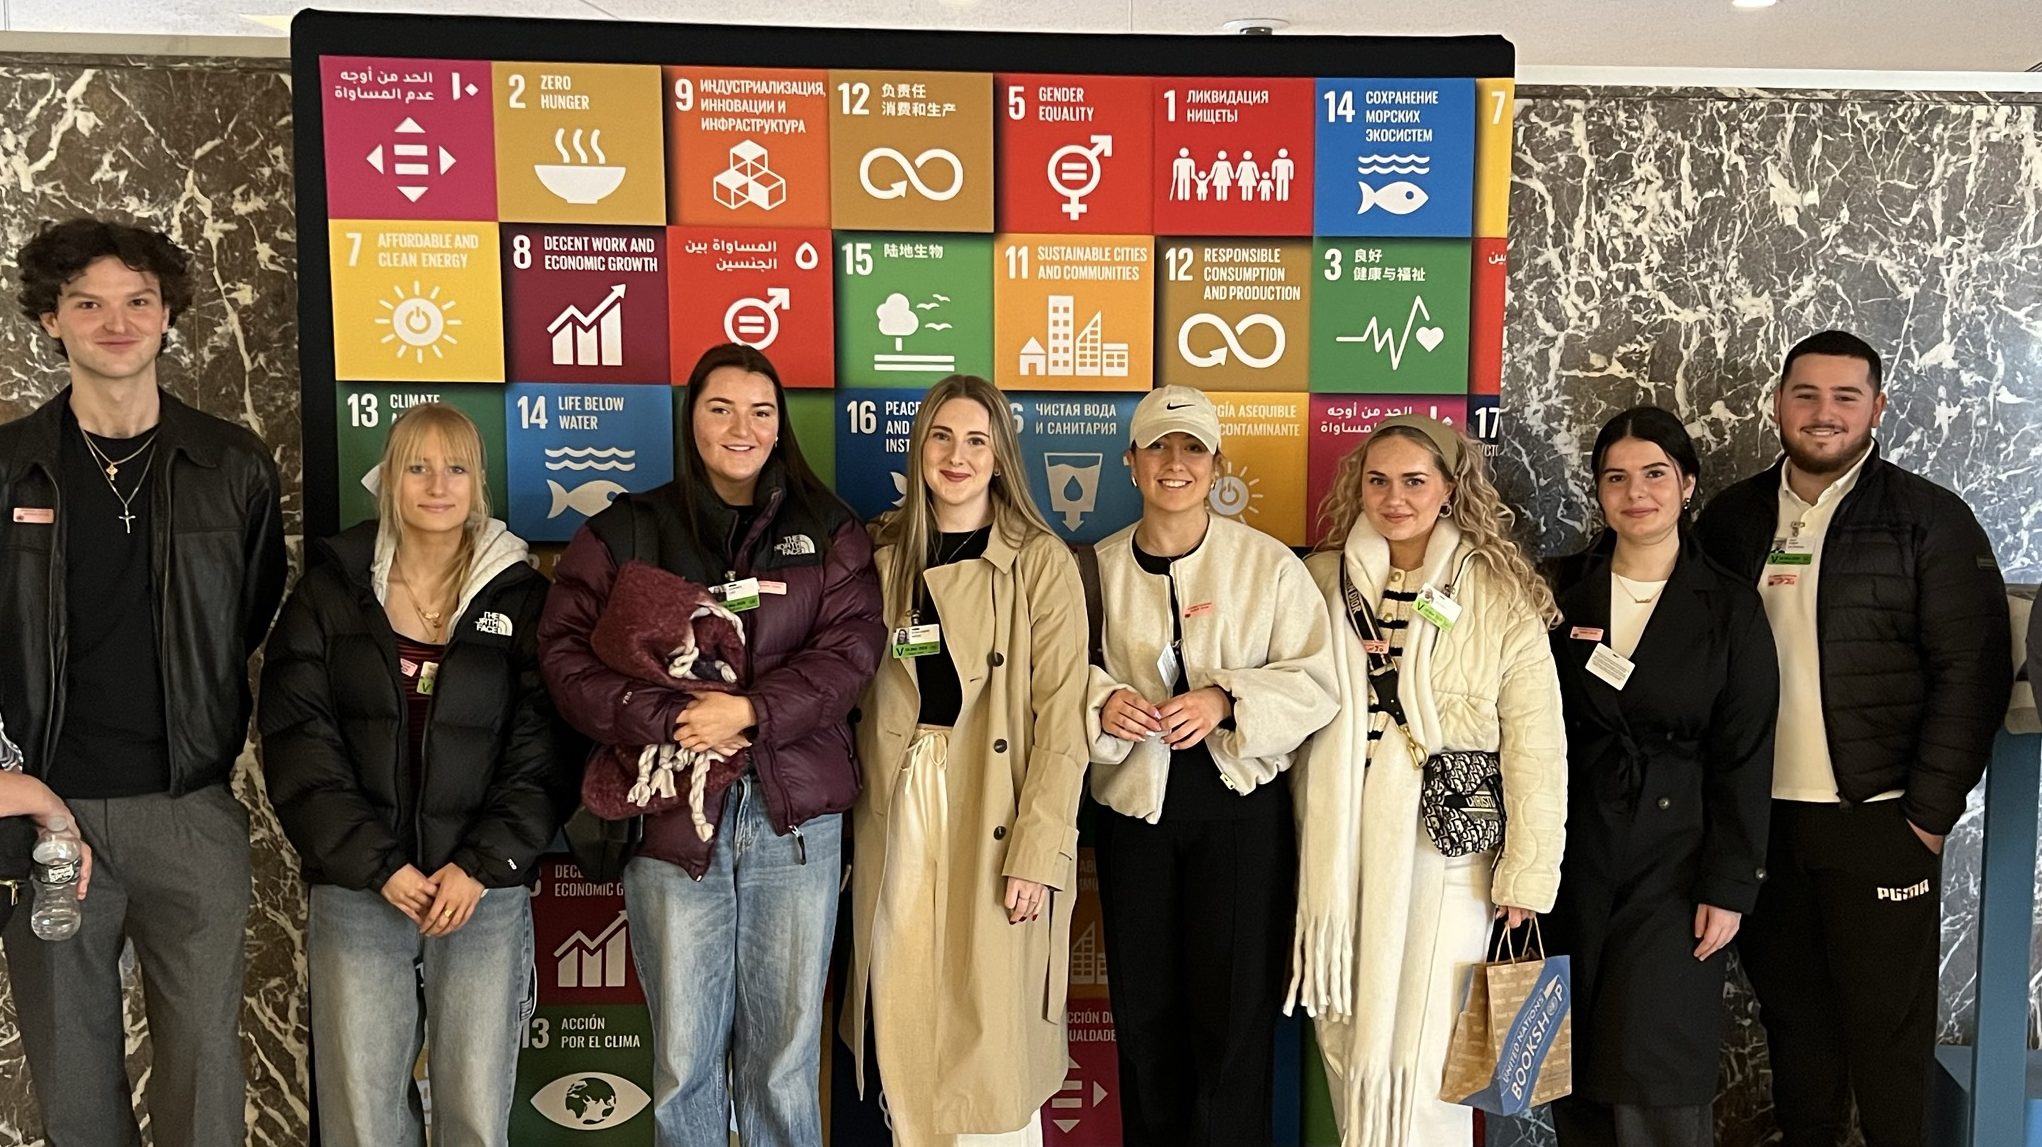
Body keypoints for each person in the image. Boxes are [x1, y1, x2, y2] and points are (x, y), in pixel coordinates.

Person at [539, 342, 884, 1147]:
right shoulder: (629, 526)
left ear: (780, 426)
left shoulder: (828, 528)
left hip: (792, 822)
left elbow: (852, 657)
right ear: (691, 417)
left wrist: (750, 712)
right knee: (684, 1060)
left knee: (783, 1061)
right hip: (670, 820)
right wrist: (664, 718)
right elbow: (563, 655)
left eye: (761, 411)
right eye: (720, 407)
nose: (741, 427)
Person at [0, 217, 286, 1146]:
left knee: (205, 1082)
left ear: (168, 318)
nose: (115, 322)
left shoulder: (232, 465)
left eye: (138, 302)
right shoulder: (6, 466)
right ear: (51, 319)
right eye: (88, 302)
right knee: (74, 1083)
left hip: (189, 810)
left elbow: (247, 616)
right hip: (48, 812)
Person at [1696, 330, 2010, 1147]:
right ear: (1778, 404)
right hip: (1764, 823)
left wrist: (1927, 816)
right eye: (1806, 394)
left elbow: (1970, 672)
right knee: (1795, 1023)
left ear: (1876, 407)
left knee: (1887, 1032)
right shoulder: (1732, 518)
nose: (1823, 413)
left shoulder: (1929, 519)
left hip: (1880, 819)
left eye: (1845, 396)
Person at [259, 403, 576, 1145]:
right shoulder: (329, 592)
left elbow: (546, 752)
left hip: (480, 897)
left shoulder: (524, 600)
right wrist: (379, 865)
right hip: (361, 892)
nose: (439, 484)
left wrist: (479, 864)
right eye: (418, 466)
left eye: (456, 466)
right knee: (363, 1121)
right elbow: (300, 744)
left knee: (473, 1112)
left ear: (480, 485)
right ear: (389, 481)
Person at [1287, 412, 1567, 1147]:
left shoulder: (1500, 593)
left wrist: (1527, 877)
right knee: (1348, 1053)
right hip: (1336, 855)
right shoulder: (1318, 582)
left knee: (1425, 1061)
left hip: (1447, 861)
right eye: (1378, 480)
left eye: (1415, 480)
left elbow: (1538, 747)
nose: (1395, 497)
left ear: (1450, 486)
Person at [1085, 386, 1339, 1147]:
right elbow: (1057, 677)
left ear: (1217, 464)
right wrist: (1102, 704)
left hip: (1239, 820)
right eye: (1158, 446)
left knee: (1232, 1027)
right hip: (1135, 819)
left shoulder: (1267, 565)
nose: (1174, 462)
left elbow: (1317, 682)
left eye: (1192, 447)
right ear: (1130, 462)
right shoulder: (1091, 568)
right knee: (1144, 1021)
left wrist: (1227, 698)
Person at [840, 374, 1088, 1147]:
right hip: (901, 801)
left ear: (1000, 455)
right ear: (919, 450)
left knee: (991, 1043)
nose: (957, 455)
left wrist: (1037, 853)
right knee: (907, 1013)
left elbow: (1064, 723)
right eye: (942, 436)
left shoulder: (1041, 562)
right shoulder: (881, 557)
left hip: (994, 803)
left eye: (976, 439)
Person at [1544, 407, 1779, 1147]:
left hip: (1678, 860)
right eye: (1616, 476)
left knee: (1656, 1064)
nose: (1635, 492)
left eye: (1653, 474)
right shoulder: (1559, 590)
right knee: (1572, 1062)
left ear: (1686, 483)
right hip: (1570, 848)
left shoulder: (1731, 605)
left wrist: (1729, 885)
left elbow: (1746, 750)